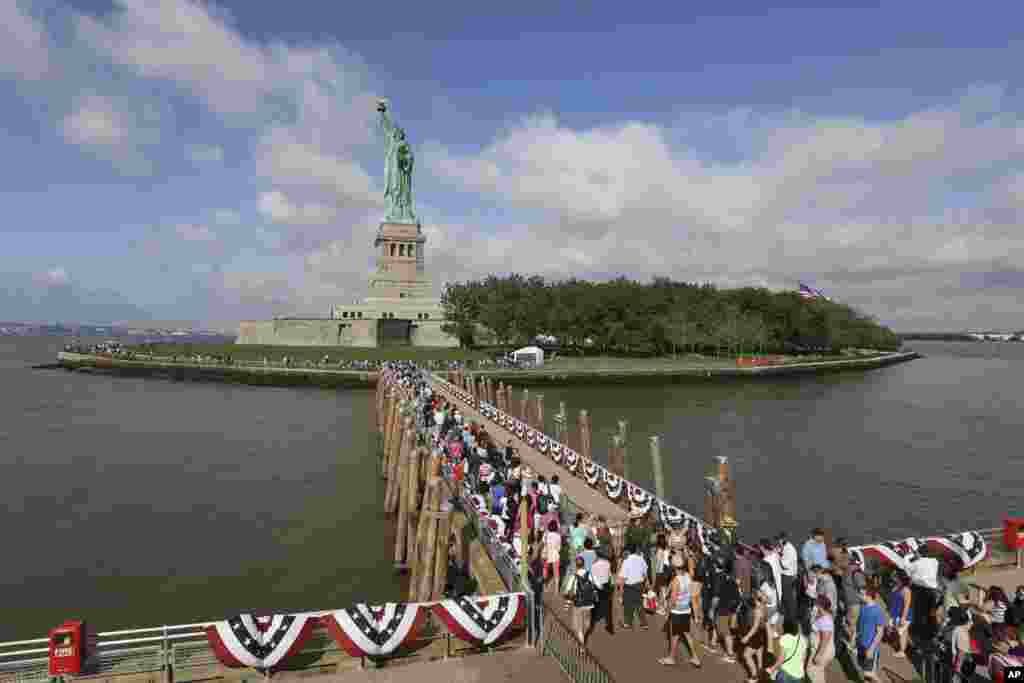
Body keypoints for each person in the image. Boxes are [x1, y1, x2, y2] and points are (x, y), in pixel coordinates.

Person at [657, 562, 702, 669]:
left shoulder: (676, 581)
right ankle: (695, 657)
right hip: (686, 610)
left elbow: (672, 600)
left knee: (674, 635)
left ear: (675, 568)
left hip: (677, 612)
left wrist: (666, 611)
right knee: (686, 634)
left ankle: (671, 658)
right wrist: (695, 615)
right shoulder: (687, 577)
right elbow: (693, 597)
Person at [617, 544, 649, 630]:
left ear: (628, 551)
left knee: (628, 605)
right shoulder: (641, 558)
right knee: (639, 604)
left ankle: (628, 623)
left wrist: (620, 592)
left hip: (629, 586)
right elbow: (645, 572)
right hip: (639, 584)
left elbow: (622, 578)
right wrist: (646, 583)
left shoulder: (626, 561)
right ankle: (644, 623)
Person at [856, 590, 886, 682]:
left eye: (861, 594)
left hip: (870, 647)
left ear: (868, 596)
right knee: (864, 671)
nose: (858, 595)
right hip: (861, 645)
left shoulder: (877, 610)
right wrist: (856, 638)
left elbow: (880, 632)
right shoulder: (863, 607)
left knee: (869, 673)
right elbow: (860, 625)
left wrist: (871, 649)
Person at [740, 585, 768, 683]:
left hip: (756, 635)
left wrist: (747, 637)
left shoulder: (757, 611)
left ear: (755, 599)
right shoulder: (764, 607)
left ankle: (754, 675)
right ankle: (760, 671)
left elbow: (755, 626)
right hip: (762, 634)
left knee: (746, 655)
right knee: (759, 651)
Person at [767, 618, 808, 683]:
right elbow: (803, 658)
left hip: (785, 673)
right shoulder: (803, 639)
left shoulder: (785, 638)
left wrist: (771, 669)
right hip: (798, 674)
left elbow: (781, 659)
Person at [806, 595, 835, 683]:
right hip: (819, 649)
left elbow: (825, 640)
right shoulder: (822, 615)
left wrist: (819, 654)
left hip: (823, 651)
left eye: (815, 604)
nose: (814, 605)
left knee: (812, 672)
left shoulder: (826, 620)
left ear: (820, 606)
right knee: (818, 672)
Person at [716, 570, 741, 663]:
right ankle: (730, 651)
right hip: (732, 611)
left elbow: (717, 597)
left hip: (723, 610)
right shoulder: (734, 584)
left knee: (726, 633)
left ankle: (730, 654)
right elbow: (738, 598)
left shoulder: (723, 583)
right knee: (729, 632)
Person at [571, 556, 596, 644]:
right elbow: (596, 585)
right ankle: (586, 632)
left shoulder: (574, 576)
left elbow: (569, 590)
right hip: (589, 603)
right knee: (587, 623)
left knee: (578, 627)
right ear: (584, 564)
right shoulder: (589, 574)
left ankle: (582, 643)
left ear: (576, 565)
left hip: (578, 603)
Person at [589, 547, 614, 636]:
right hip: (606, 586)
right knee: (607, 607)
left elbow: (592, 578)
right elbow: (610, 575)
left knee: (595, 606)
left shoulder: (593, 565)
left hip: (597, 587)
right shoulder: (607, 563)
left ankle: (592, 624)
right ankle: (610, 626)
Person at [888, 572, 912, 657]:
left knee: (902, 632)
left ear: (900, 579)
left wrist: (903, 618)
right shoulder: (897, 587)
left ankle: (902, 651)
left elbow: (906, 605)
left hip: (903, 615)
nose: (894, 577)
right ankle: (899, 645)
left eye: (896, 576)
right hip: (895, 613)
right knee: (898, 631)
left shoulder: (906, 590)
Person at [777, 532, 799, 625]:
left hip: (787, 577)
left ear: (783, 539)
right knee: (786, 599)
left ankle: (792, 621)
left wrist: (777, 556)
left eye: (779, 539)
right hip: (786, 576)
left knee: (788, 600)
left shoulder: (789, 549)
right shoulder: (784, 547)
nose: (778, 541)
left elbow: (784, 565)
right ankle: (787, 620)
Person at [653, 534, 672, 615]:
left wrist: (657, 574)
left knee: (662, 591)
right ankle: (665, 606)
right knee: (664, 590)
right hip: (667, 572)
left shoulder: (659, 551)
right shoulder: (667, 550)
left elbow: (658, 565)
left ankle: (663, 608)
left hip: (661, 572)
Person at [543, 520, 562, 594]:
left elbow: (544, 543)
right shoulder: (558, 536)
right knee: (556, 572)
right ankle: (556, 590)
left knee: (545, 570)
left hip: (547, 554)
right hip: (555, 555)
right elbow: (559, 548)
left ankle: (545, 587)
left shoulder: (546, 534)